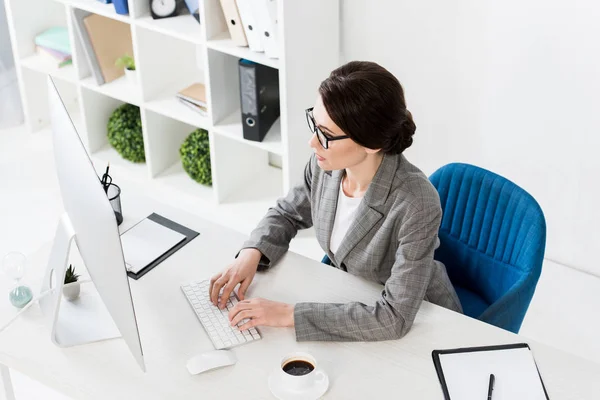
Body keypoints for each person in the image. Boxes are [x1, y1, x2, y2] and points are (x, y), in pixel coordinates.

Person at [209, 61, 462, 342]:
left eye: (326, 135)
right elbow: (288, 213)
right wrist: (251, 254)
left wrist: (288, 315)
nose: (312, 143)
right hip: (351, 293)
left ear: (371, 143)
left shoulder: (416, 202)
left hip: (422, 318)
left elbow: (395, 318)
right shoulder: (325, 164)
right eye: (315, 124)